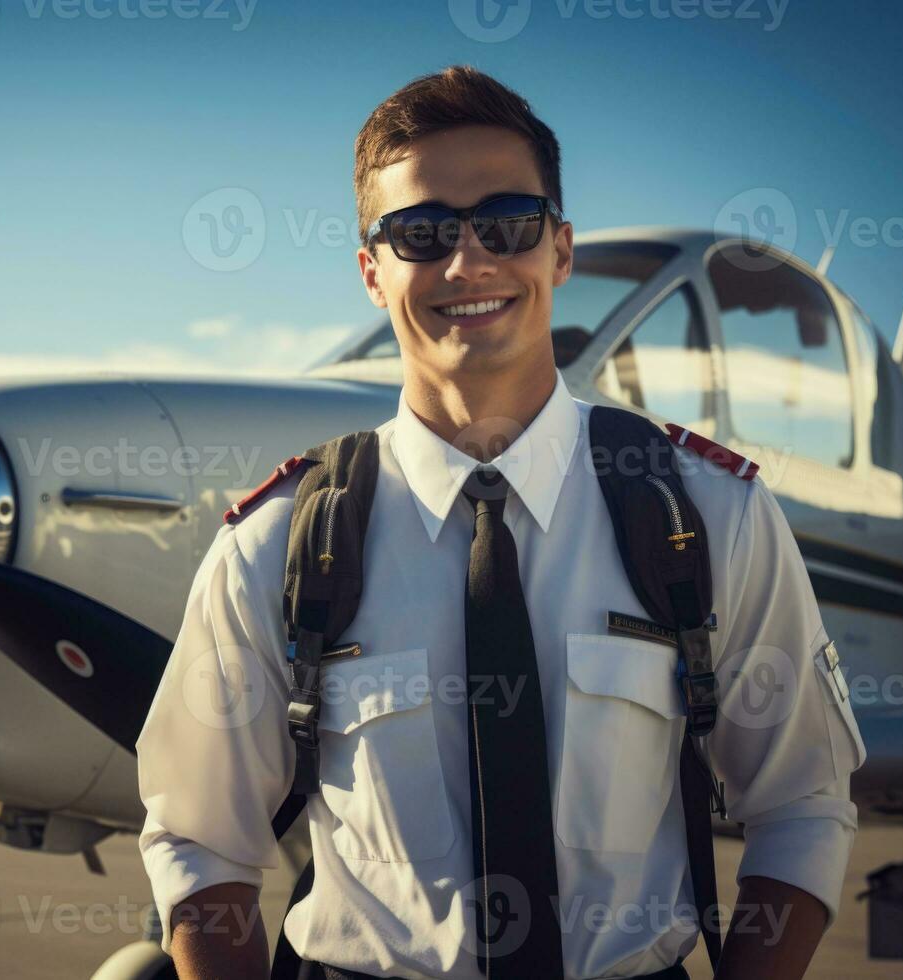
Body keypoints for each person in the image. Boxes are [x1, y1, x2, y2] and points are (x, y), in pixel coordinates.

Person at [137, 65, 865, 980]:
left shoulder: (712, 515)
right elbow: (200, 844)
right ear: (372, 272)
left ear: (560, 252)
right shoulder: (276, 546)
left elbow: (801, 803)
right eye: (421, 233)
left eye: (508, 223)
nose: (468, 261)